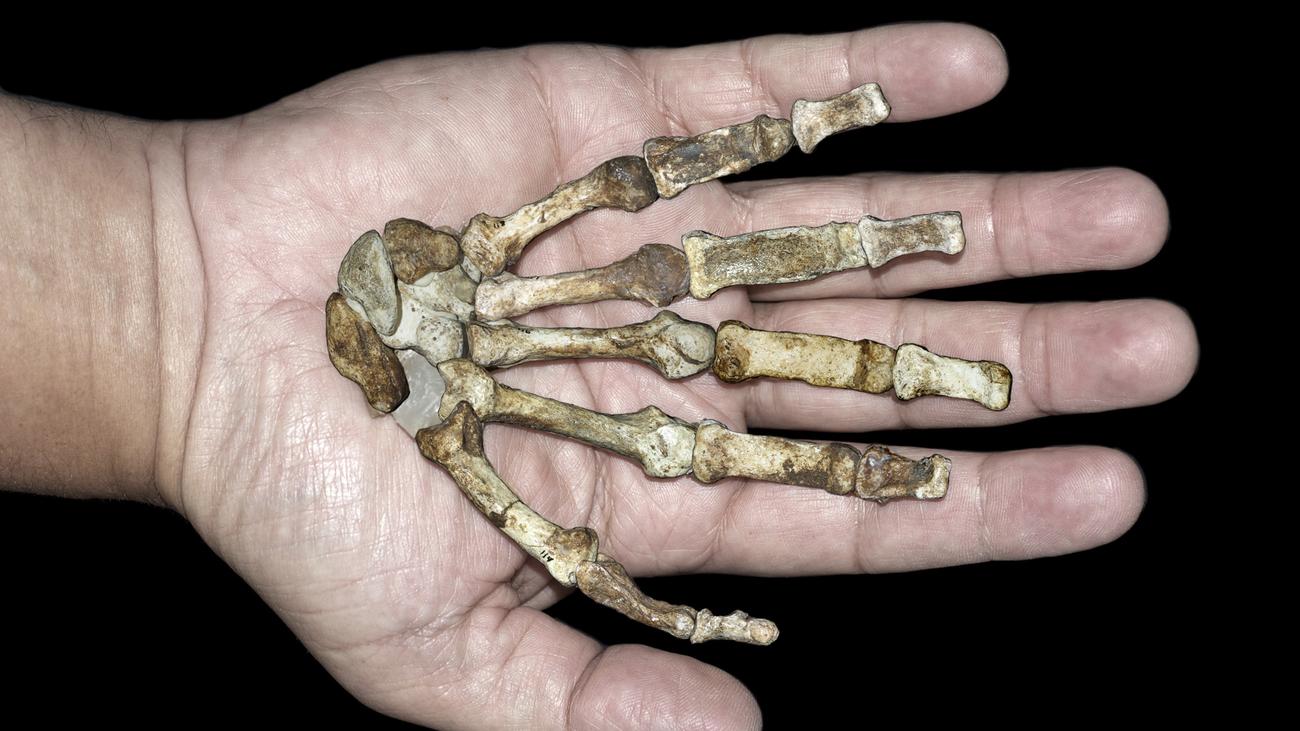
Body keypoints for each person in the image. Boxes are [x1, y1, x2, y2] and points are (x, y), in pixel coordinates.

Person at [0, 22, 1196, 730]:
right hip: (506, 342)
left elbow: (623, 190)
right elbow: (549, 532)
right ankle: (888, 405)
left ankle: (893, 326)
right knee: (694, 394)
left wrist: (170, 285)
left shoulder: (458, 301)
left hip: (516, 305)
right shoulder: (439, 400)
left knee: (686, 307)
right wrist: (675, 616)